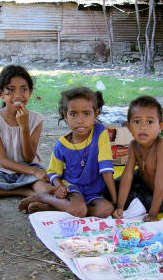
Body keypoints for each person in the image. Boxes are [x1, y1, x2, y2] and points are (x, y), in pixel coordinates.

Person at [18, 87, 117, 218]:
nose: (80, 120)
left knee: (106, 209)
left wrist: (116, 201)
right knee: (80, 209)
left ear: (96, 114)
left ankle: (55, 208)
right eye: (73, 114)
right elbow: (53, 172)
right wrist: (59, 187)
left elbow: (106, 168)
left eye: (86, 114)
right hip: (72, 188)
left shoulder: (100, 132)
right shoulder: (61, 145)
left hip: (93, 192)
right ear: (66, 116)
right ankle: (44, 197)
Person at [0, 65, 54, 199]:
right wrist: (34, 171)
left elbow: (28, 158)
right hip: (1, 171)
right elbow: (3, 161)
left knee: (47, 189)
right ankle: (20, 191)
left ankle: (26, 188)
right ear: (0, 94)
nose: (18, 95)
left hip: (26, 169)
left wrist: (24, 127)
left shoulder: (36, 119)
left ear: (30, 92)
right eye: (11, 90)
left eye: (24, 89)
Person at [111, 96, 163, 222]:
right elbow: (127, 175)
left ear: (160, 126)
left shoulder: (162, 146)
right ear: (128, 126)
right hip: (144, 184)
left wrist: (153, 214)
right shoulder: (133, 145)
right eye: (137, 122)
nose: (143, 127)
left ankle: (132, 204)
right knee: (113, 186)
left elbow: (160, 183)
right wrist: (119, 206)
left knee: (137, 199)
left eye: (149, 122)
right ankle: (119, 204)